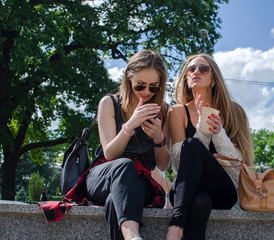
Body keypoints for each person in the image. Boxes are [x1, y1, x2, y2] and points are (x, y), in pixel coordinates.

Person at [76, 50, 171, 240]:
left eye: (153, 88)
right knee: (124, 166)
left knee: (115, 201)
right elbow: (110, 153)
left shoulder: (163, 110)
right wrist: (129, 126)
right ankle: (132, 236)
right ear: (129, 77)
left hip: (139, 181)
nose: (146, 92)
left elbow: (163, 165)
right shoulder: (109, 103)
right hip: (104, 174)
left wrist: (158, 138)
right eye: (140, 85)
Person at [166, 53, 254, 240]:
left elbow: (240, 165)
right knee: (199, 201)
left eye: (203, 68)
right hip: (186, 192)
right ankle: (177, 226)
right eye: (191, 69)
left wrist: (218, 132)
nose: (196, 72)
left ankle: (175, 226)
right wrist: (203, 129)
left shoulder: (235, 111)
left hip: (223, 191)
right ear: (186, 78)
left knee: (191, 144)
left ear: (214, 77)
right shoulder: (177, 112)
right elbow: (178, 164)